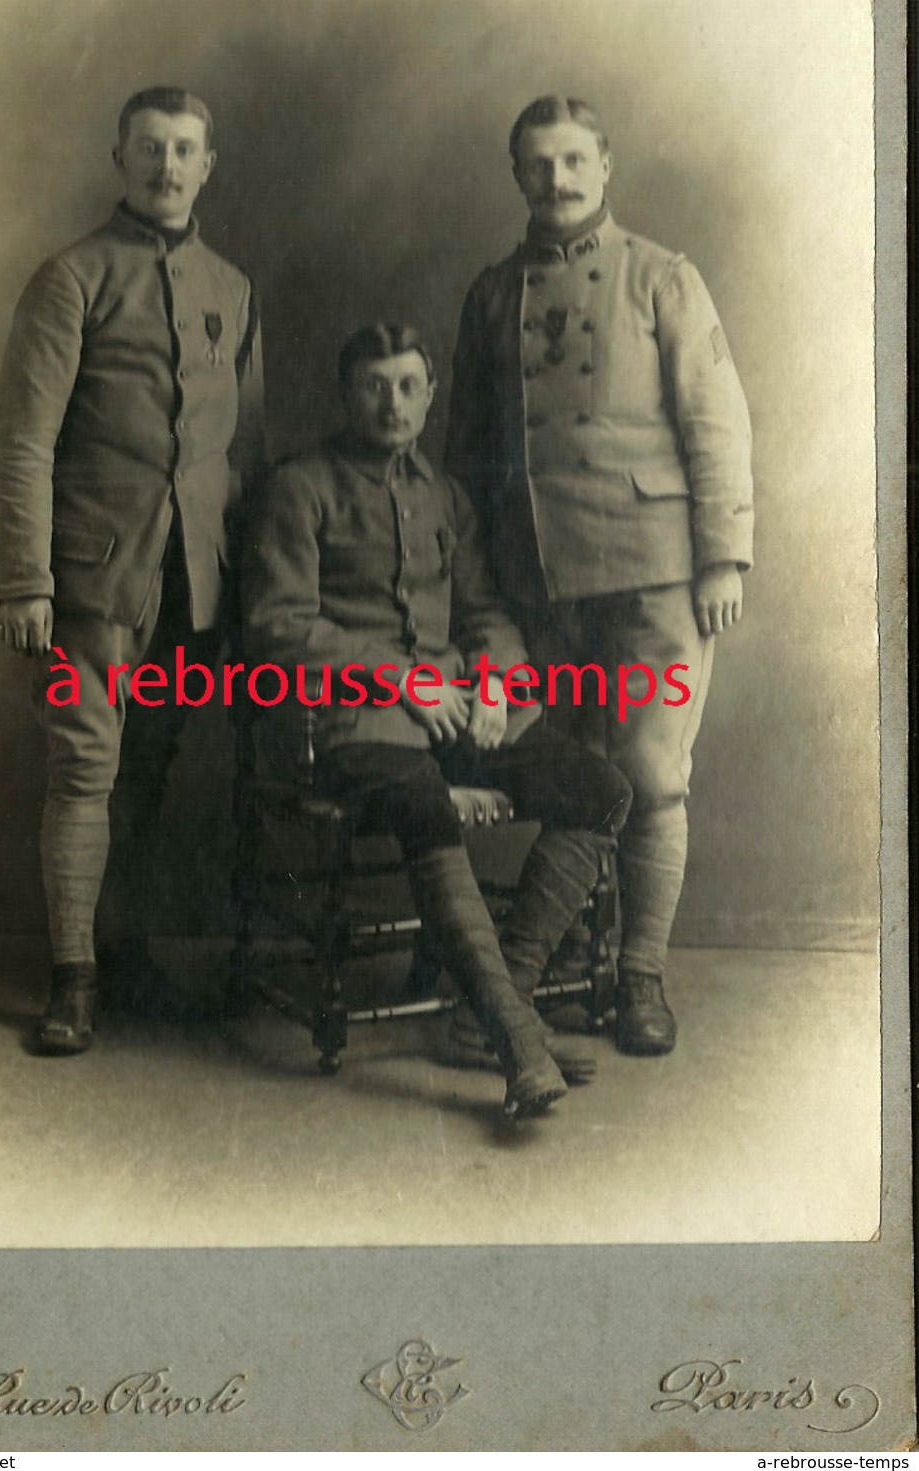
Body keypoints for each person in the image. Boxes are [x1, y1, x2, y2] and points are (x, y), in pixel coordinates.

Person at [241, 323, 631, 1121]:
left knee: (599, 788)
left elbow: (484, 609)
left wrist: (493, 684)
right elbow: (278, 626)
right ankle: (516, 1040)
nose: (392, 404)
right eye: (374, 386)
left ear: (429, 394)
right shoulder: (301, 486)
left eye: (408, 386)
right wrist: (396, 677)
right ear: (345, 393)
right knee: (420, 800)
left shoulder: (444, 493)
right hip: (349, 717)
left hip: (457, 706)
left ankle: (489, 1009)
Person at [447, 95, 753, 1056]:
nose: (558, 180)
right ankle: (546, 972)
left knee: (653, 776)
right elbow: (464, 456)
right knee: (584, 783)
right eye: (538, 165)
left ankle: (639, 980)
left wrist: (721, 556)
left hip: (653, 577)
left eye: (574, 161)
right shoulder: (494, 293)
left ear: (606, 166)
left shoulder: (660, 277)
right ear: (516, 175)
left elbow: (716, 421)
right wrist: (479, 592)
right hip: (538, 582)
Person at [0, 85, 265, 1054]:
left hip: (195, 579)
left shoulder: (230, 287)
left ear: (207, 164)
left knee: (149, 771)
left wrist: (250, 587)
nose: (166, 165)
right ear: (119, 157)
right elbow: (22, 439)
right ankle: (71, 981)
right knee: (84, 767)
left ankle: (124, 951)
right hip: (91, 578)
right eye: (148, 147)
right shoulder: (72, 278)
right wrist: (26, 576)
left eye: (185, 148)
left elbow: (243, 451)